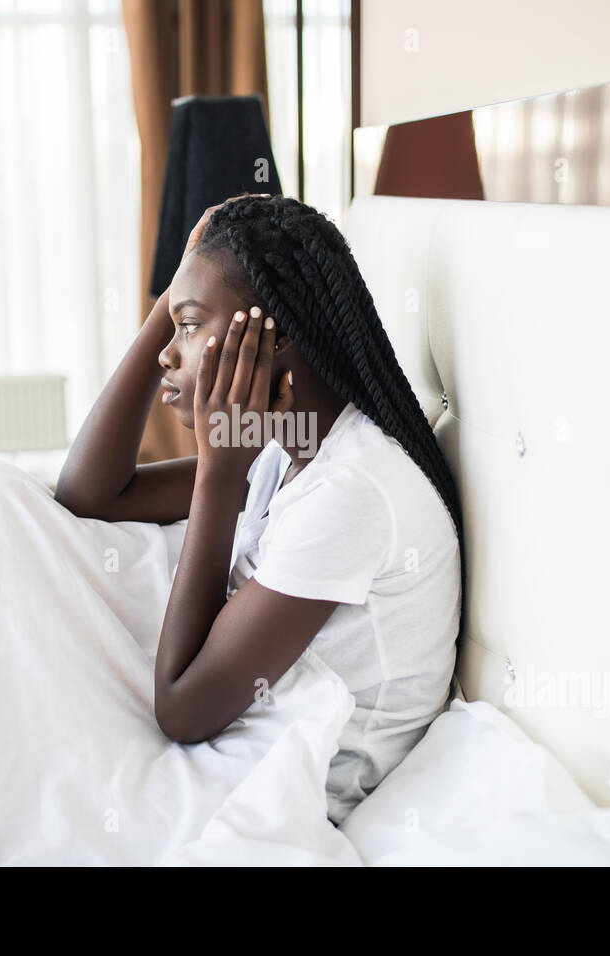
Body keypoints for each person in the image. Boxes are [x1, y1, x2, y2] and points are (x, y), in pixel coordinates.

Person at [55, 193, 464, 824]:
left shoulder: (351, 490)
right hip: (240, 748)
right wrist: (175, 296)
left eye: (187, 327)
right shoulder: (293, 442)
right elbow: (90, 496)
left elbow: (182, 710)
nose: (167, 351)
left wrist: (219, 473)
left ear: (268, 338)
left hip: (284, 791)